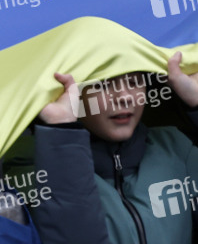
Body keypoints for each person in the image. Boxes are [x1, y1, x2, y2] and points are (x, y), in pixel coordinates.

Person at [33, 54, 198, 243]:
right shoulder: (35, 168)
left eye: (134, 82)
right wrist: (62, 130)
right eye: (103, 85)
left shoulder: (175, 146)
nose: (124, 97)